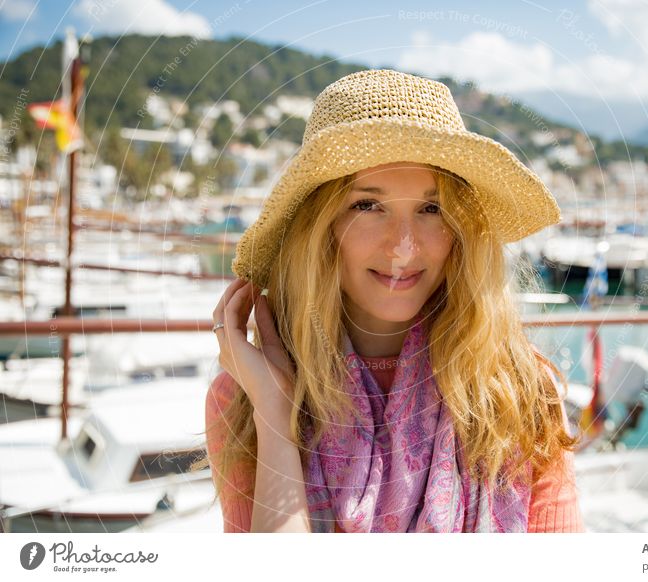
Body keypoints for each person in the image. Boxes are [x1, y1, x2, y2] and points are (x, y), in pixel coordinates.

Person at [193, 69, 585, 533]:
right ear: (320, 228)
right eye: (367, 206)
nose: (404, 246)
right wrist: (276, 419)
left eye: (431, 209)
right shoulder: (243, 397)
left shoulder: (517, 389)